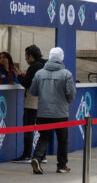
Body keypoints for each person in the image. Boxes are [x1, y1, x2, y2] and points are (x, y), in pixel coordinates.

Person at [29, 46, 76, 174]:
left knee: (44, 137)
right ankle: (62, 165)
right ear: (61, 58)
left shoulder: (39, 73)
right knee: (62, 140)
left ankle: (37, 158)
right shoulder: (66, 74)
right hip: (60, 112)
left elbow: (33, 91)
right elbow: (71, 93)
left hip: (43, 112)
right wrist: (66, 101)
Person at [13, 45, 46, 162]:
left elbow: (27, 84)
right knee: (42, 130)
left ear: (31, 56)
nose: (25, 59)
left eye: (26, 56)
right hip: (43, 102)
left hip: (32, 102)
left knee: (28, 128)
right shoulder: (44, 65)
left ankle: (26, 154)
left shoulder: (34, 67)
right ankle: (42, 155)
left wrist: (19, 76)